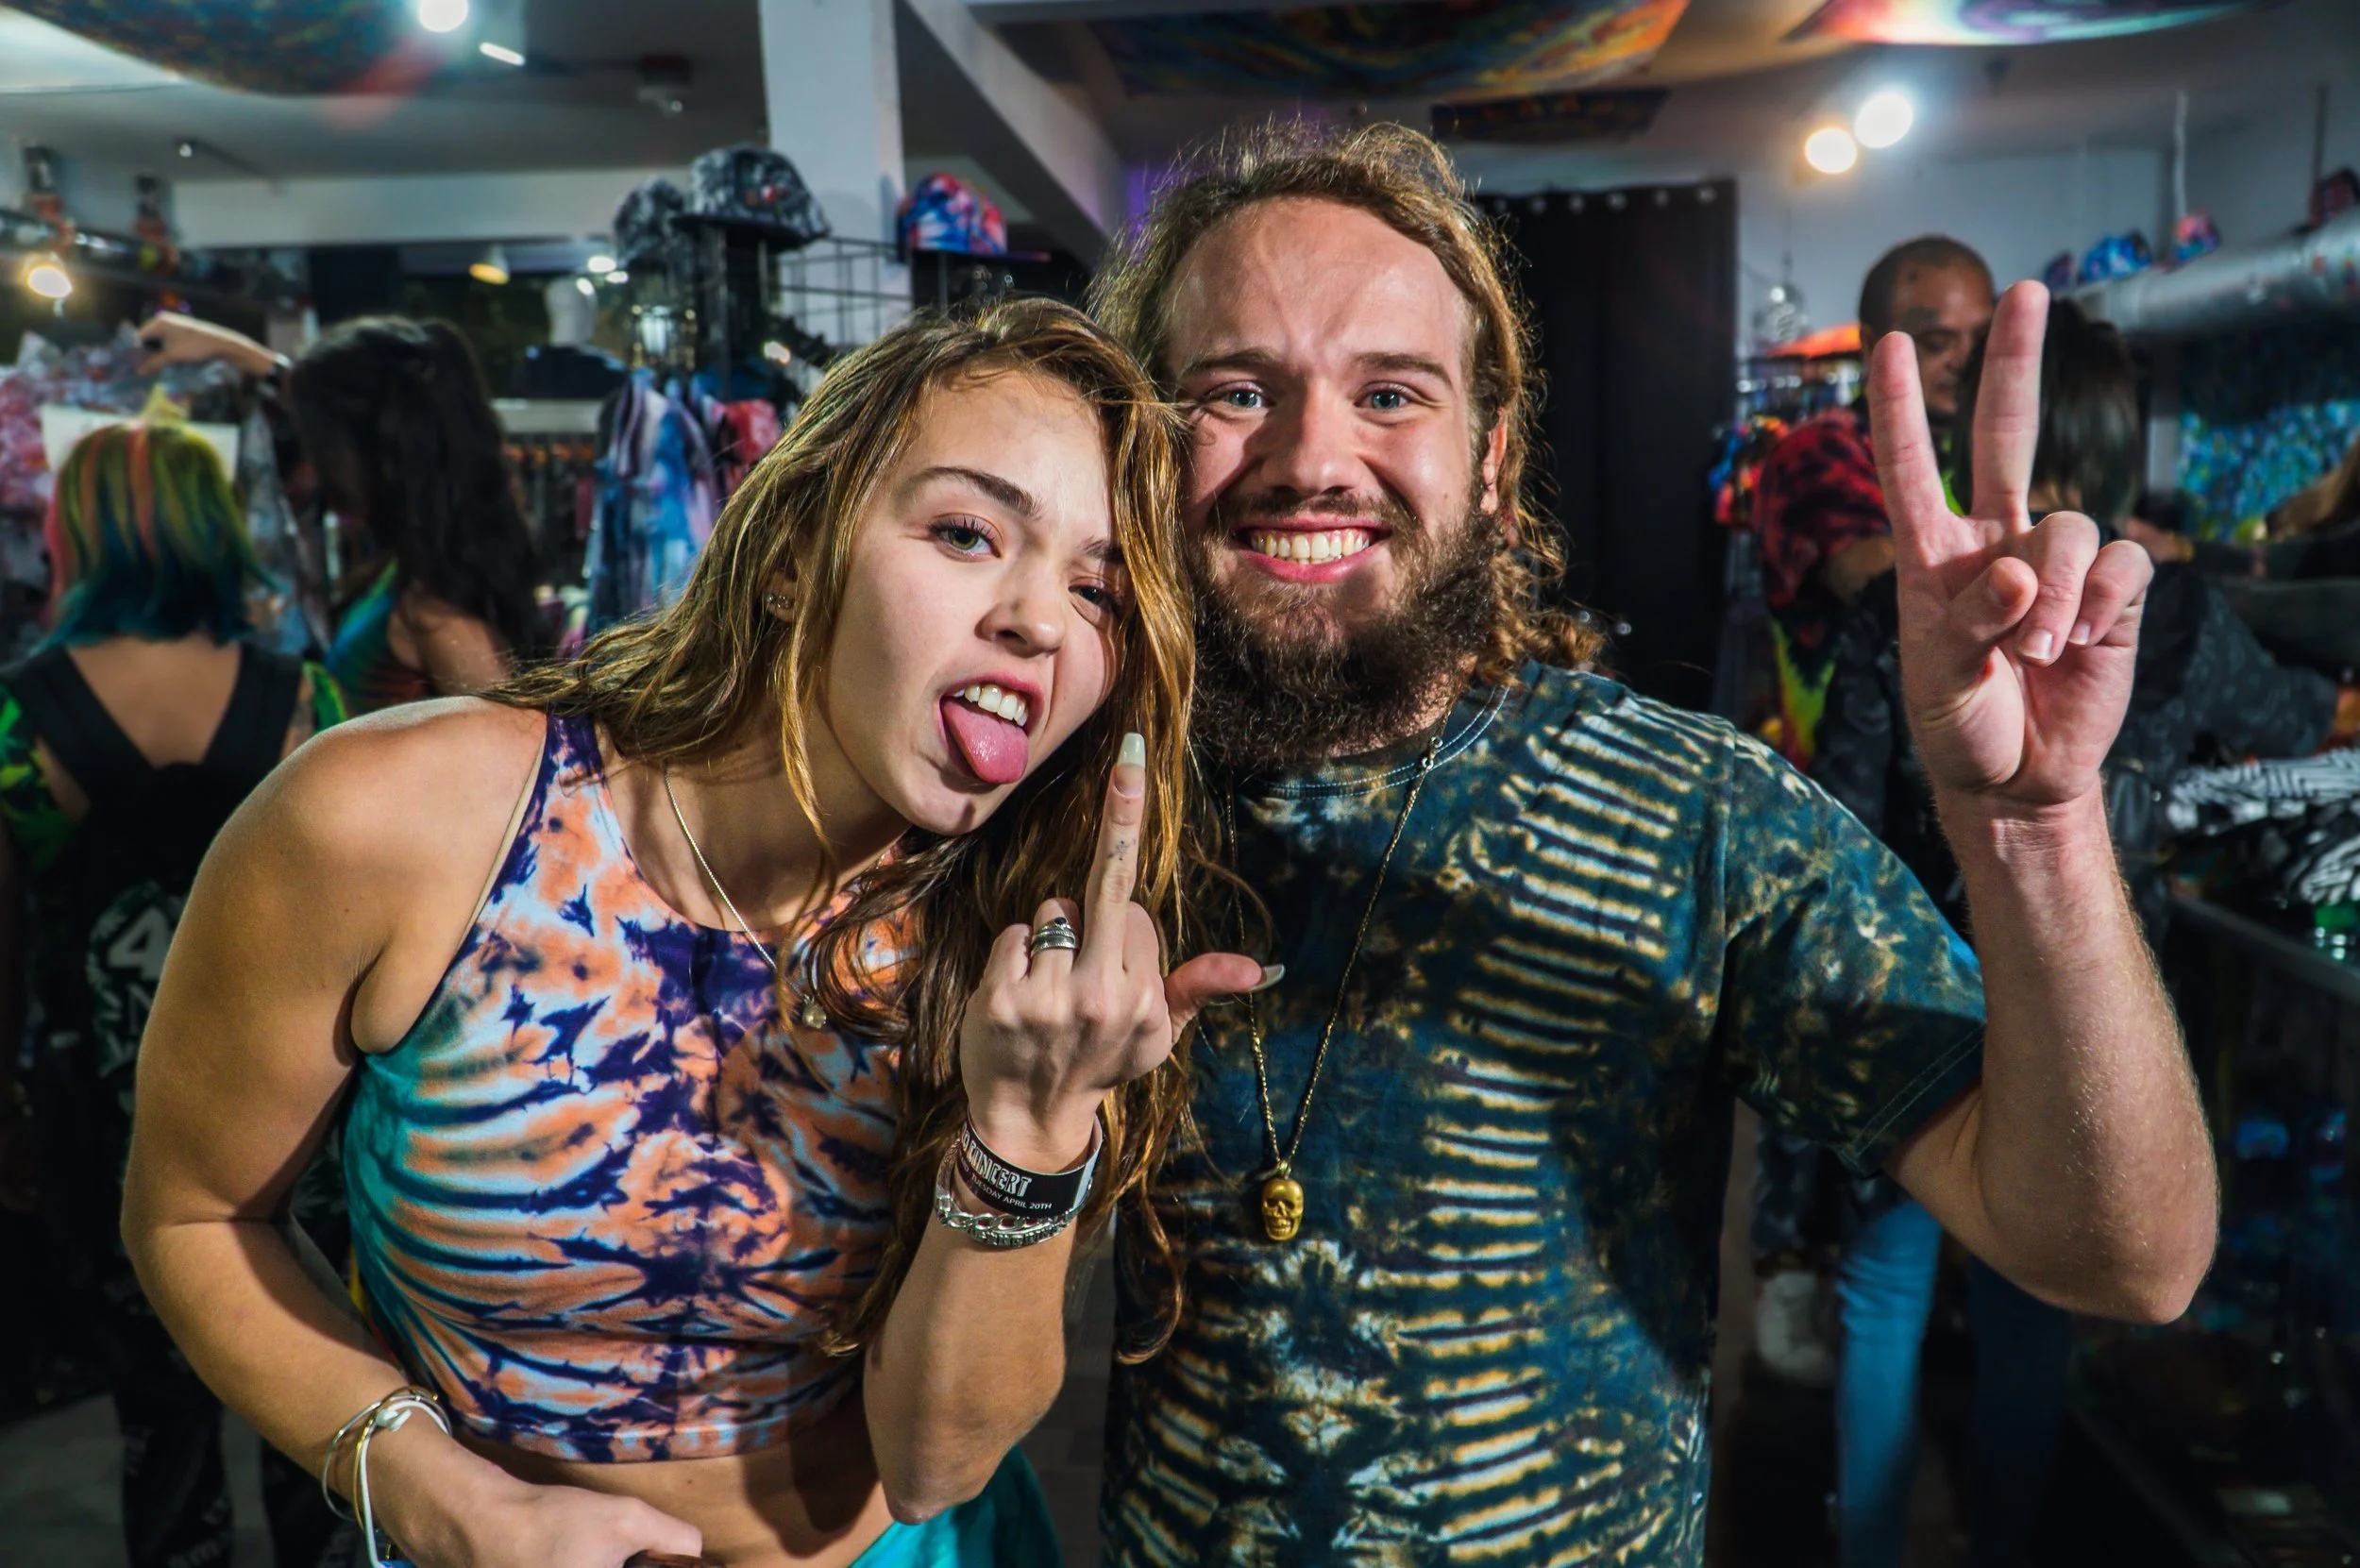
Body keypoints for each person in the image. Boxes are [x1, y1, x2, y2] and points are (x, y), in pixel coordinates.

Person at [964, 120, 2202, 1565]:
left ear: (1491, 461)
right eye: (1237, 391)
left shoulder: (1692, 812)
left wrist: (2036, 827)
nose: (1310, 458)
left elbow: (2126, 1256)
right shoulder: (1085, 806)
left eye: (1389, 393)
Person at [119, 300, 1261, 1568]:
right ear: (792, 552)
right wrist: (444, 1497)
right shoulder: (396, 822)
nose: (1039, 618)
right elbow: (196, 1216)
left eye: (1097, 590)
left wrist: (1031, 1129)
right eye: (965, 532)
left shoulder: (1026, 951)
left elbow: (935, 1461)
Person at [1810, 296, 2337, 1568]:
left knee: (1884, 1290)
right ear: (2114, 438)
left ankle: (1871, 1549)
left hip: (1904, 1005)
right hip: (2081, 1000)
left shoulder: (1904, 605)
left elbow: (1836, 825)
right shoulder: (2177, 611)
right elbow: (2294, 720)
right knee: (2032, 1305)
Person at [0, 422, 350, 1568]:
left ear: (76, 532)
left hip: (111, 1108)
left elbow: (4, 940)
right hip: (304, 1111)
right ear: (216, 530)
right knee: (319, 1389)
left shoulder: (17, 716)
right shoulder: (305, 697)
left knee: (155, 1410)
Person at [137, 312, 541, 710]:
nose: (314, 467)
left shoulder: (438, 615)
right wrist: (235, 352)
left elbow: (515, 747)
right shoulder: (412, 572)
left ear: (371, 453)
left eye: (322, 445)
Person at [1753, 237, 1996, 767]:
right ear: (1871, 344)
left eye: (1981, 339)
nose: (1965, 360)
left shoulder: (1980, 452)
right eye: (1937, 341)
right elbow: (1884, 586)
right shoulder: (1818, 452)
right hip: (1840, 788)